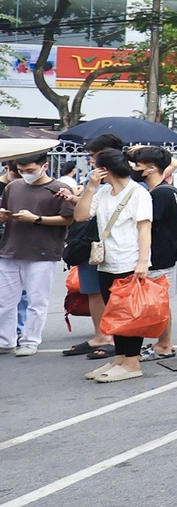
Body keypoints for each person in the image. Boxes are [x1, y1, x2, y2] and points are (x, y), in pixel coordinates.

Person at [72, 148, 152, 384]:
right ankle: (120, 358)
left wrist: (142, 261)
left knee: (130, 314)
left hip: (129, 260)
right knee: (113, 312)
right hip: (107, 261)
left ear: (104, 168)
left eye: (94, 164)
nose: (92, 168)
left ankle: (132, 361)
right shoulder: (104, 192)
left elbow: (144, 227)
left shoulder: (138, 193)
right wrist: (90, 188)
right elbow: (80, 216)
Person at [57, 131, 125, 359]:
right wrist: (77, 195)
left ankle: (115, 338)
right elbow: (84, 213)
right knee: (92, 291)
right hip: (89, 242)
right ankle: (100, 335)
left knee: (112, 293)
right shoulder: (95, 182)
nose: (91, 160)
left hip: (114, 246)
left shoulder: (129, 183)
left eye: (95, 155)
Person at [0, 150, 72, 356]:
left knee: (36, 300)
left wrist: (37, 219)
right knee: (4, 300)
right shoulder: (13, 187)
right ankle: (5, 340)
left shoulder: (59, 188)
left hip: (42, 252)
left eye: (30, 170)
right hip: (10, 249)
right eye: (21, 171)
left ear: (44, 166)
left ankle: (30, 340)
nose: (25, 174)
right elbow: (4, 209)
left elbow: (68, 218)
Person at [127, 146, 177, 361]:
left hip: (158, 256)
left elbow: (147, 226)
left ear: (150, 169)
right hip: (165, 253)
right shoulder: (166, 189)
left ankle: (165, 345)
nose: (134, 168)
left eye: (138, 165)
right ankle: (162, 343)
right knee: (161, 300)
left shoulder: (159, 195)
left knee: (159, 301)